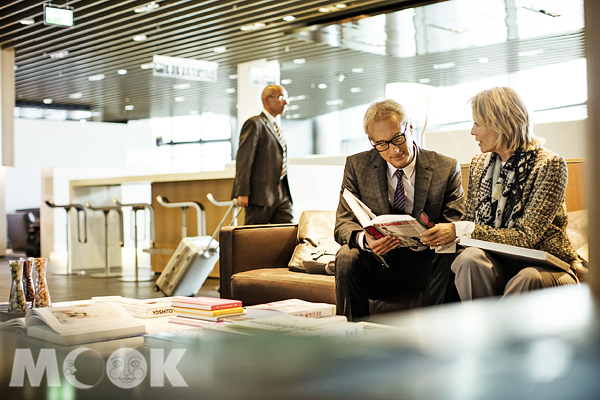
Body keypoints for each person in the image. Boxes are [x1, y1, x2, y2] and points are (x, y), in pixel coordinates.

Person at [420, 87, 579, 301]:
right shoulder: (479, 165)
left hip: (544, 264)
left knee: (527, 278)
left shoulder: (549, 164)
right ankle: (487, 330)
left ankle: (495, 332)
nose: (472, 132)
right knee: (470, 259)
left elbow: (526, 236)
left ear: (501, 123)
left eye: (477, 124)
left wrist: (460, 229)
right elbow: (470, 223)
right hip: (496, 261)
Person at [334, 99, 465, 321]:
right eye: (382, 144)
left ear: (410, 127)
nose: (394, 150)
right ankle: (352, 340)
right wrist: (365, 241)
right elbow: (343, 225)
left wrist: (443, 231)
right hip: (380, 264)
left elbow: (457, 220)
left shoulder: (446, 167)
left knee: (452, 256)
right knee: (346, 256)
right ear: (371, 141)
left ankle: (433, 339)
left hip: (426, 264)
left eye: (397, 138)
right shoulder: (357, 166)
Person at [232, 85, 293, 225]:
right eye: (281, 98)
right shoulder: (255, 124)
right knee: (254, 237)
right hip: (259, 194)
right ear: (267, 99)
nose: (286, 102)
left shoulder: (277, 127)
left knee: (288, 232)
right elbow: (244, 159)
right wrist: (242, 192)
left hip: (282, 192)